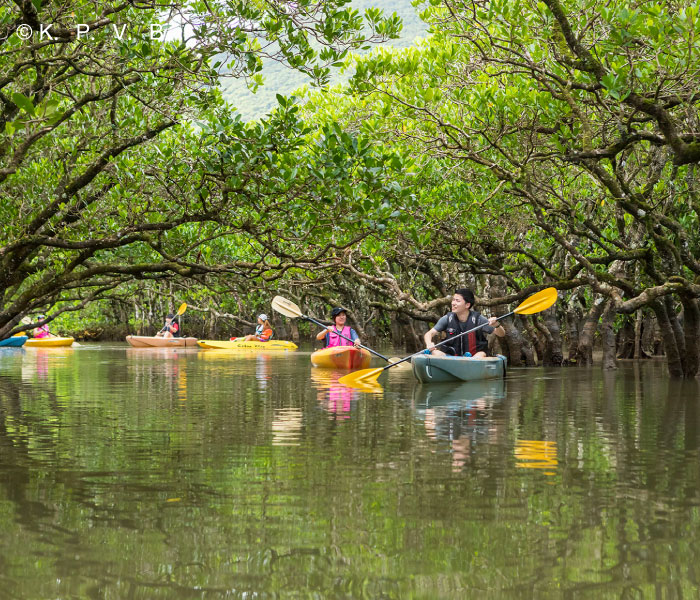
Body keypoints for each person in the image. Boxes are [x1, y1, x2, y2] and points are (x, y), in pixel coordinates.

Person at [424, 288, 505, 358]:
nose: (453, 303)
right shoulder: (447, 319)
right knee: (435, 352)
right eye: (453, 300)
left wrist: (497, 325)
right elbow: (429, 334)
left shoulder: (478, 319)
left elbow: (501, 334)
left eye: (457, 301)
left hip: (474, 357)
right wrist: (429, 343)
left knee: (481, 354)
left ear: (467, 305)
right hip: (451, 357)